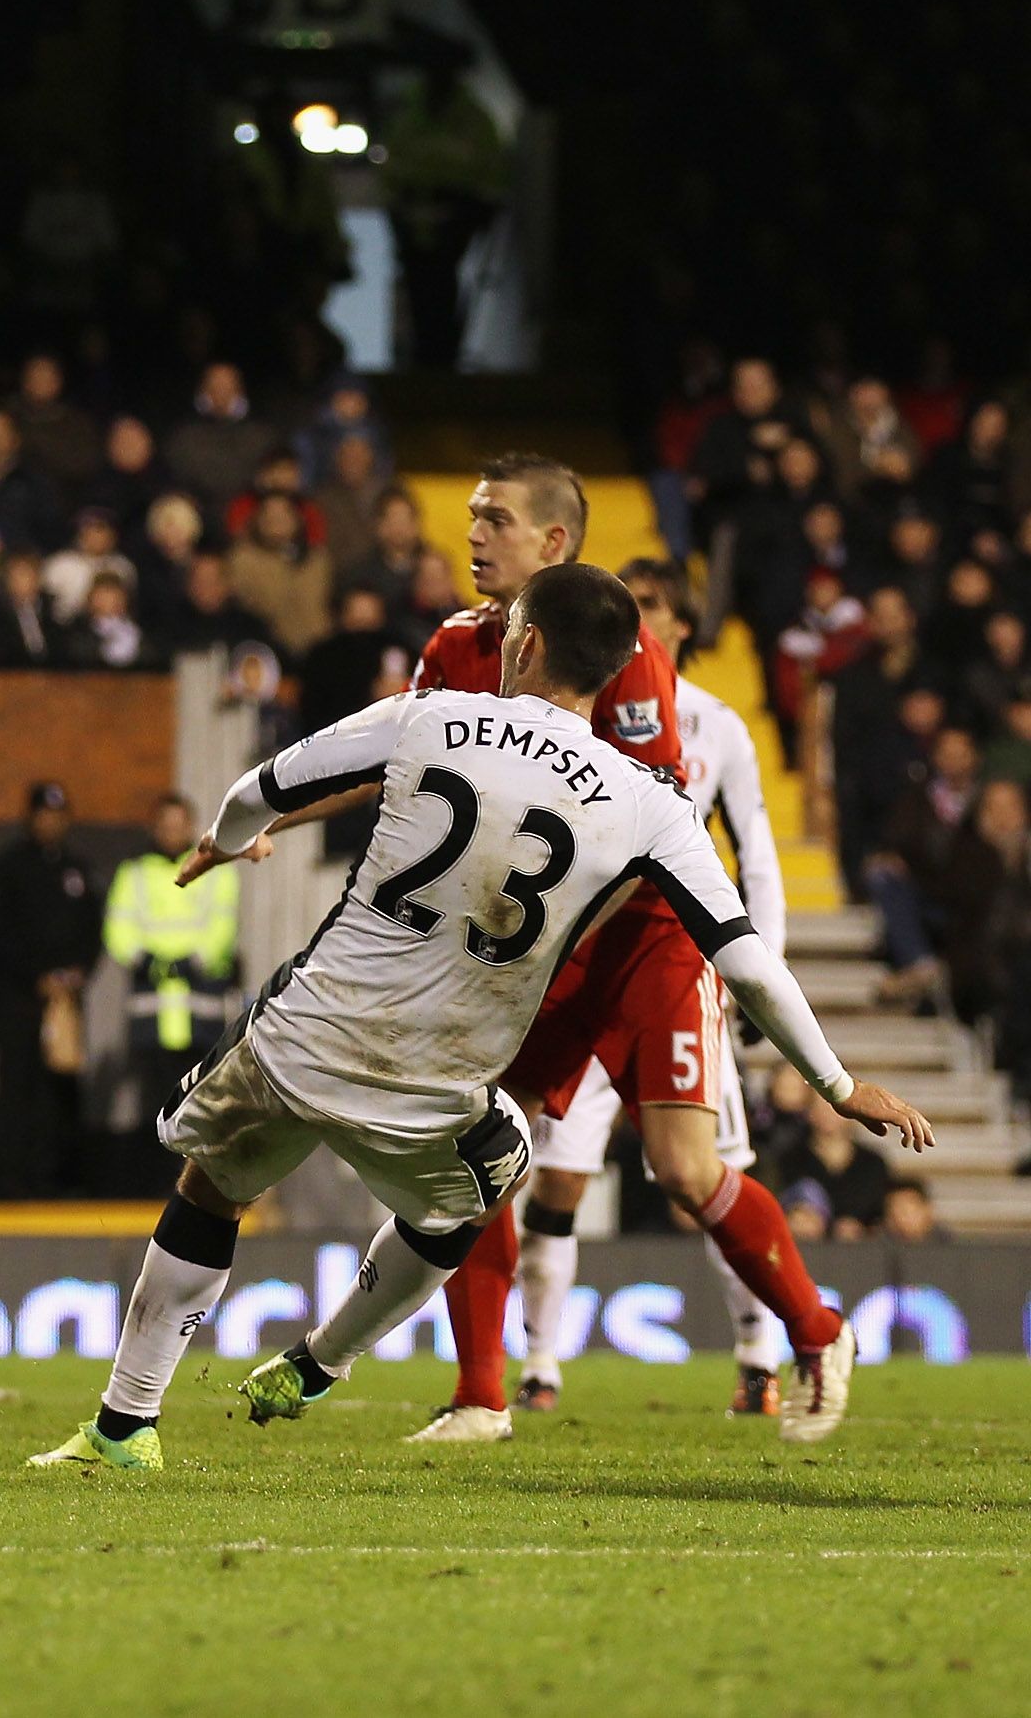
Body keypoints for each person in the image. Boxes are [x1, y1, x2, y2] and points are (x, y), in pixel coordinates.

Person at [30, 563, 931, 1474]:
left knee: (211, 1190)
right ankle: (325, 1358)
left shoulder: (426, 714)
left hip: (308, 1033)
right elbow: (746, 960)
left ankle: (122, 1425)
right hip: (443, 1080)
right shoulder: (652, 805)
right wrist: (841, 1085)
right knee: (477, 1189)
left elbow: (259, 792)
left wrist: (221, 843)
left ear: (528, 641)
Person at [372, 457, 860, 1443]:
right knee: (475, 1139)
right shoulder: (453, 647)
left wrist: (534, 943)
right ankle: (482, 1394)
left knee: (686, 1168)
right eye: (469, 516)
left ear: (552, 543)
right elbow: (405, 783)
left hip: (643, 942)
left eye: (493, 520)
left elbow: (651, 835)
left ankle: (814, 1329)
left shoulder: (623, 654)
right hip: (541, 945)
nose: (470, 536)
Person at [512, 557, 797, 1416]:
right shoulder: (574, 717)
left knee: (706, 1176)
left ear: (683, 623)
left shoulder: (720, 728)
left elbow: (756, 852)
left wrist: (760, 969)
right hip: (585, 965)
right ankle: (538, 1368)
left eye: (660, 608)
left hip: (674, 970)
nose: (649, 622)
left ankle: (760, 1354)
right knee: (555, 1178)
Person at [0, 780, 100, 1196]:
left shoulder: (77, 869)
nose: (51, 822)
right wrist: (36, 976)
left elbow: (92, 930)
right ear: (30, 817)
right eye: (44, 814)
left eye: (58, 814)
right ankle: (10, 1180)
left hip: (64, 1000)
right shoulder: (7, 867)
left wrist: (78, 971)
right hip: (18, 997)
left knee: (59, 1087)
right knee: (17, 1084)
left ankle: (53, 1178)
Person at [100, 793, 240, 1141]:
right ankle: (154, 1181)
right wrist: (146, 960)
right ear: (155, 827)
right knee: (154, 1098)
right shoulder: (133, 874)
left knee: (201, 1096)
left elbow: (224, 924)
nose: (172, 831)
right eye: (165, 824)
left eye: (179, 824)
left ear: (191, 826)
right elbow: (117, 928)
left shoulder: (215, 870)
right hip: (153, 1009)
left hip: (199, 1007)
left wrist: (190, 962)